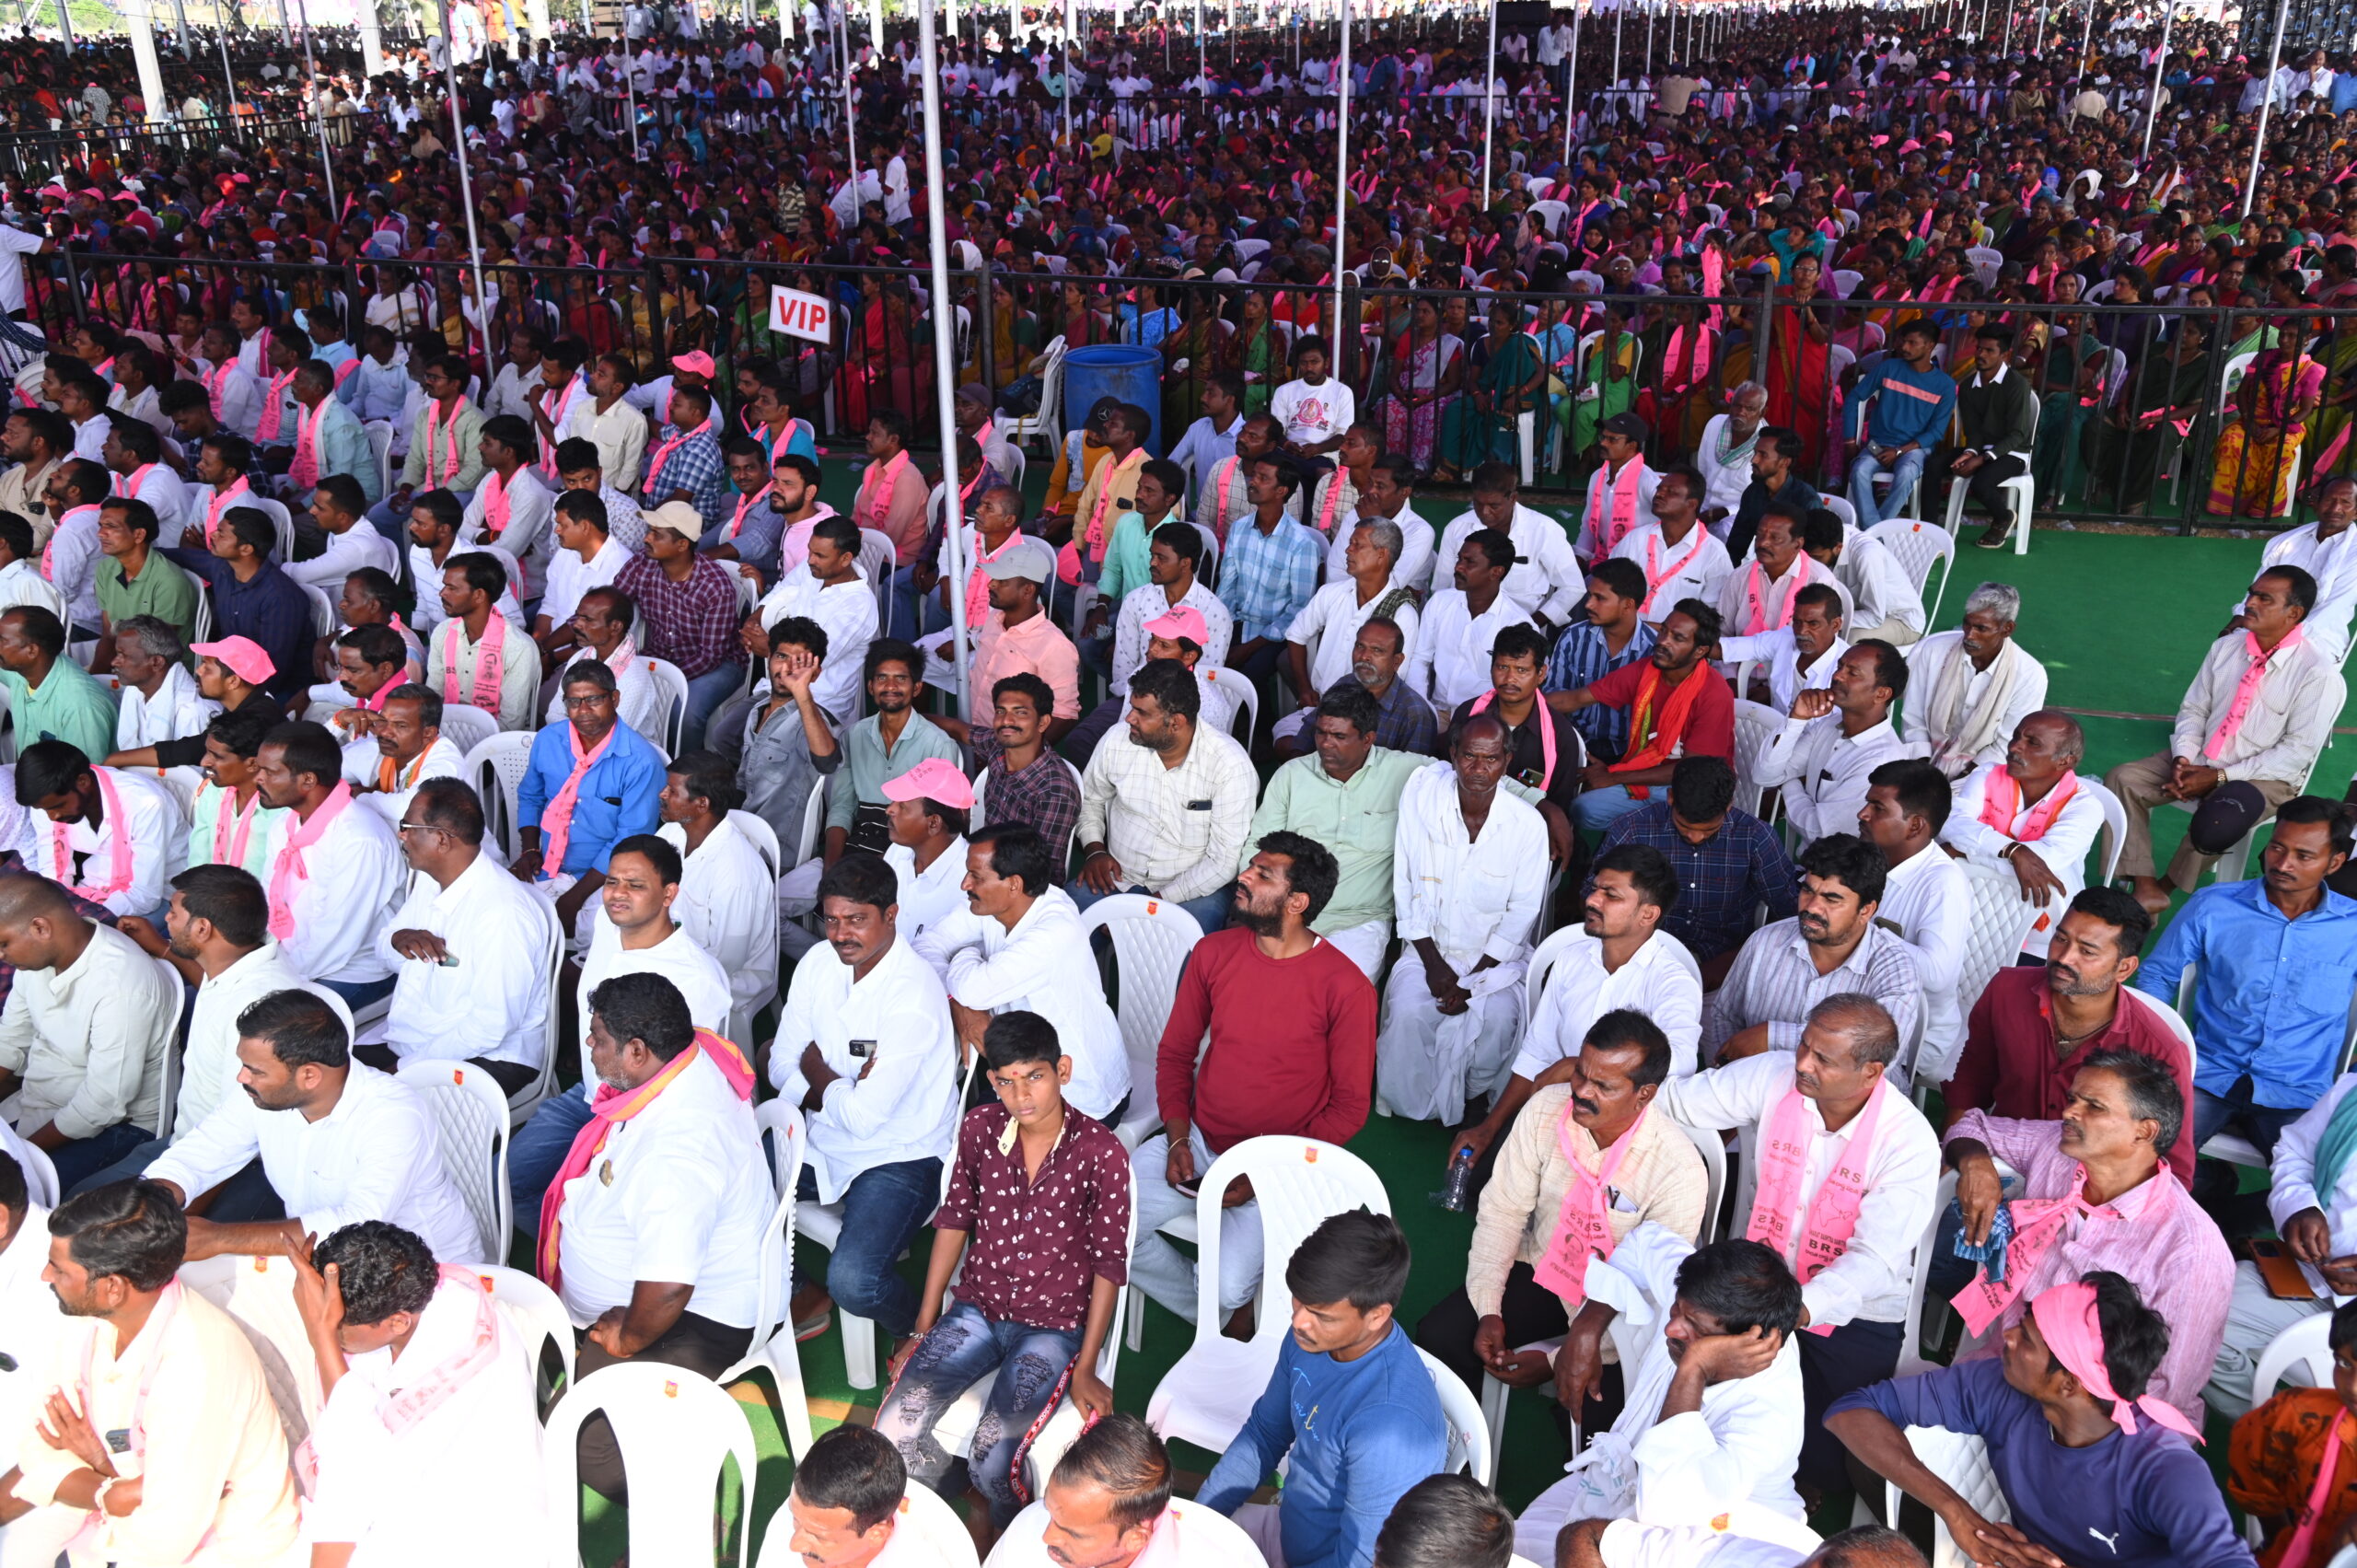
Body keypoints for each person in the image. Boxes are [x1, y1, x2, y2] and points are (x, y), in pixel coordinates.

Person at [1652, 994, 1941, 1498]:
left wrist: (1790, 1314)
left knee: (1820, 1457)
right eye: (1804, 1046)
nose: (1802, 1064)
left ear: (1872, 1072)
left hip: (1855, 1314)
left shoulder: (1909, 1142)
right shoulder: (1773, 1075)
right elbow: (1675, 1102)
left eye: (1823, 1059)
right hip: (1758, 1285)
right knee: (1710, 1410)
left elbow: (1872, 1262)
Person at [877, 1010, 1131, 1540]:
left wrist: (1085, 1366)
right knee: (893, 1428)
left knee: (994, 1456)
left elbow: (1110, 1265)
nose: (1020, 1095)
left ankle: (1007, 1527)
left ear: (1062, 1069)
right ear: (990, 1079)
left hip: (1053, 1327)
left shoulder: (1099, 1152)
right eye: (1005, 1081)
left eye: (1033, 1076)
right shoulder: (980, 1128)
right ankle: (944, 1503)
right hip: (977, 1311)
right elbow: (953, 1221)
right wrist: (924, 1327)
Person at [1416, 1009, 1706, 1439]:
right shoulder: (1544, 1111)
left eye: (1602, 1086)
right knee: (1439, 1338)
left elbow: (1654, 1294)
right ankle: (1453, 1453)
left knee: (1605, 1425)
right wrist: (1489, 1309)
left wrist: (1559, 1357)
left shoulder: (1678, 1168)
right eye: (1580, 1074)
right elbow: (1502, 1211)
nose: (1581, 1093)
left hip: (1620, 1312)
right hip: (1545, 1265)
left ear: (1644, 1094)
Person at [1829, 1274, 2249, 1568]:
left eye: (2027, 1338)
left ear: (2069, 1385)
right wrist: (1955, 1511)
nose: (2008, 1336)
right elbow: (1851, 1411)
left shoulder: (2165, 1469)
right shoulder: (1997, 1384)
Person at [537, 970, 769, 1498]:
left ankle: (683, 1518)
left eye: (597, 1038)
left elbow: (667, 1288)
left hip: (695, 1314)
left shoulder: (678, 1150)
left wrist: (628, 1339)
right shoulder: (689, 1053)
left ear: (638, 1051)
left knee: (581, 1443)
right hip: (665, 1290)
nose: (590, 1049)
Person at [1132, 831, 1374, 1325]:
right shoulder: (1214, 953)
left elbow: (1350, 1107)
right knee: (1102, 1230)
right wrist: (1178, 1137)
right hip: (1197, 1142)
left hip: (1277, 1167)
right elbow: (1176, 1054)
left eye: (1263, 874)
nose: (1243, 876)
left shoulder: (1347, 988)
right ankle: (1211, 1309)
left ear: (1297, 902)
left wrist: (1264, 1177)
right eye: (1251, 867)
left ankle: (1225, 1303)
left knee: (1223, 1290)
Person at [0, 1179, 298, 1567]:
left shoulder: (197, 1364)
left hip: (221, 1547)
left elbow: (162, 1540)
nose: (45, 1276)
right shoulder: (86, 1316)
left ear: (113, 1288)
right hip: (109, 1504)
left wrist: (98, 1468)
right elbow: (40, 1450)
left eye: (58, 1269)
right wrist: (108, 1490)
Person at [1945, 1051, 2230, 1428]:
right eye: (2072, 1099)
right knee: (1876, 1421)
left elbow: (2167, 1389)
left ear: (2144, 1132)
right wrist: (1975, 1164)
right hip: (2008, 1364)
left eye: (2093, 1106)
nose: (2069, 1113)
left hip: (2099, 1420)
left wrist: (2074, 1426)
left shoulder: (2191, 1250)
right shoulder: (2057, 1149)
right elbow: (1971, 1126)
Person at [1511, 1225, 1812, 1562]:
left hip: (1723, 1537)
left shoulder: (1767, 1417)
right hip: (1629, 1482)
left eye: (1694, 1328)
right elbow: (1644, 1241)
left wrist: (1693, 1369)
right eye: (1675, 1310)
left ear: (1746, 1344)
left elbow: (1664, 1510)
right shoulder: (1706, 1299)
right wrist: (1586, 1330)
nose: (1672, 1329)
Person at [145, 986, 483, 1261]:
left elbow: (356, 1223)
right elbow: (205, 1148)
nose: (242, 1077)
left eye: (256, 1070)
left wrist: (220, 1238)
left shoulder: (392, 1114)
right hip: (326, 1263)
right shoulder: (263, 1093)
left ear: (309, 1075)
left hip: (425, 1273)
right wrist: (152, 1200)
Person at [773, 852, 960, 1347]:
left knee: (855, 1282)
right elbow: (777, 1065)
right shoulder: (818, 963)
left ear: (891, 915)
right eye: (831, 920)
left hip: (902, 1155)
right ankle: (802, 1294)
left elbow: (864, 1119)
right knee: (727, 1191)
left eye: (856, 920)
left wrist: (813, 1072)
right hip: (820, 1141)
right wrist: (837, 1087)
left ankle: (920, 1331)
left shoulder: (912, 995)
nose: (840, 934)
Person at [1195, 1212, 1446, 1568]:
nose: (1298, 1321)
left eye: (1322, 1315)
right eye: (1299, 1301)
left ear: (1377, 1316)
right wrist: (1201, 1519)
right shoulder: (1310, 1337)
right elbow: (1264, 1434)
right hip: (1284, 1527)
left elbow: (1361, 1562)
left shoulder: (1389, 1430)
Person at [291, 1220, 546, 1564]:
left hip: (471, 1529)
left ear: (397, 1322)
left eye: (338, 1326)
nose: (329, 1333)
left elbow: (353, 1475)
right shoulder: (425, 1296)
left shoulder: (458, 1365)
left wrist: (321, 1337)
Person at [509, 834, 733, 1222]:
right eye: (612, 881)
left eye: (636, 885)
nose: (617, 894)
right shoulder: (606, 926)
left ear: (668, 894)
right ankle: (566, 1243)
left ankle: (586, 1248)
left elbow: (682, 1083)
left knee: (604, 1214)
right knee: (505, 1181)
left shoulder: (694, 979)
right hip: (590, 1095)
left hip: (644, 1115)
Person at [2138, 796, 2357, 1173]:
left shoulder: (2352, 928)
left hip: (2298, 1092)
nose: (2283, 864)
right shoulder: (2214, 906)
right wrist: (2163, 1053)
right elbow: (2158, 974)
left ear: (2334, 862)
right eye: (2277, 847)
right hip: (2208, 1075)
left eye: (2304, 856)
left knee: (2324, 1192)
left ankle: (2228, 1209)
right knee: (2142, 1161)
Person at [2107, 568, 2341, 912]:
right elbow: (2194, 708)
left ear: (2294, 613)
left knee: (2220, 820)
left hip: (2264, 779)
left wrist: (2218, 777)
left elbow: (2295, 753)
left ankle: (2164, 888)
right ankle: (2144, 884)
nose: (2250, 603)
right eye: (2252, 593)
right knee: (2122, 778)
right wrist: (2183, 759)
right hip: (2202, 758)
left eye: (2265, 599)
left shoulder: (2317, 673)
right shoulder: (2226, 647)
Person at [1945, 886, 2193, 1177]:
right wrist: (1951, 1162)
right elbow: (1970, 1086)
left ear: (2124, 968)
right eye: (2061, 939)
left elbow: (2173, 1166)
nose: (2064, 957)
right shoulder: (2005, 991)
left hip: (2092, 1192)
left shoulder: (2160, 1048)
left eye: (2087, 951)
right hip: (2000, 1165)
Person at [1376, 719, 1551, 1125]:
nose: (1479, 768)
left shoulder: (1526, 826)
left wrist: (1473, 980)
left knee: (1498, 1020)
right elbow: (1405, 883)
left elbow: (1523, 911)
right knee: (1408, 1013)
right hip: (1427, 950)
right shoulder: (1423, 803)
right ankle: (1414, 1104)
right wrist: (1435, 967)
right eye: (1470, 756)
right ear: (1453, 755)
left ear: (1506, 762)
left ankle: (1472, 1096)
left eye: (1491, 758)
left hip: (1493, 961)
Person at [911, 822, 1129, 1127]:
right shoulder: (997, 903)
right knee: (967, 1143)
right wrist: (958, 1003)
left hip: (1078, 1096)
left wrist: (965, 953)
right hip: (1018, 1074)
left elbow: (972, 988)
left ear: (1013, 883)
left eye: (976, 876)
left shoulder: (1053, 931)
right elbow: (923, 948)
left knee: (982, 1154)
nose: (964, 885)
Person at [361, 777, 557, 1095]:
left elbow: (490, 1026)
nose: (401, 835)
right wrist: (399, 940)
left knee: (374, 1112)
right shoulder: (429, 880)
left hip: (490, 1057)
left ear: (441, 840)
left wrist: (406, 1069)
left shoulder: (502, 914)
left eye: (409, 826)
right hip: (417, 1038)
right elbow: (385, 951)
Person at [0, 872, 175, 1191]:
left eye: (3, 944)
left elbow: (103, 1104)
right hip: (41, 1101)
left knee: (12, 1194)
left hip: (119, 1128)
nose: (2, 956)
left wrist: (22, 1154)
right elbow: (10, 1040)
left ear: (40, 928)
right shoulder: (35, 960)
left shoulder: (122, 982)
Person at [1246, 688, 1426, 979]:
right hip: (1288, 914)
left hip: (1359, 921)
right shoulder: (1292, 776)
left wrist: (1528, 796)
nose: (1326, 744)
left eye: (1339, 737)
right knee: (1257, 994)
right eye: (1321, 734)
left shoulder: (1406, 772)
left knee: (1338, 996)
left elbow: (1472, 779)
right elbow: (1256, 850)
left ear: (1368, 739)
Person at [1703, 833, 1925, 1068]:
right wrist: (1729, 1071)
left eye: (1831, 899)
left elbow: (1878, 1053)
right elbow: (1724, 1017)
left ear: (1866, 910)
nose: (1812, 907)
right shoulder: (1764, 942)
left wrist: (1770, 1036)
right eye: (1808, 891)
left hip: (1851, 1102)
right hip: (1757, 1091)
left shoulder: (1896, 968)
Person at [1074, 657, 1258, 935]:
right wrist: (1095, 849)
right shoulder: (1117, 740)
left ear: (1176, 722)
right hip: (1117, 877)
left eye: (1141, 713)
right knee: (1062, 937)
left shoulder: (1229, 766)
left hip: (1193, 891)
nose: (1128, 719)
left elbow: (1224, 861)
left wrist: (1151, 906)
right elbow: (1091, 799)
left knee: (1187, 958)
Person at [1597, 756, 1800, 991]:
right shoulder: (1632, 829)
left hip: (1724, 960)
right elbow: (1597, 899)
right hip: (1642, 951)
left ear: (1728, 806)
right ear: (1670, 798)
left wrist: (1737, 959)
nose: (1695, 837)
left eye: (1709, 830)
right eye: (1684, 826)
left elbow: (1787, 912)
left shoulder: (1755, 837)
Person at [985, 1413, 1269, 1568]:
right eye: (1050, 1511)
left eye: (1073, 1533)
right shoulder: (1027, 1531)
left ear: (1135, 1539)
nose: (1047, 1536)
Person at [1548, 600, 1736, 835]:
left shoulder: (1714, 694)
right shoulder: (1647, 670)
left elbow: (1694, 770)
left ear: (1700, 651)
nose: (1663, 641)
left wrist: (1614, 776)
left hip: (1694, 789)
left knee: (1668, 826)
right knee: (1584, 809)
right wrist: (1515, 701)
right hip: (1643, 773)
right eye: (1664, 630)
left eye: (1678, 638)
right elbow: (1576, 698)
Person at [254, 721, 407, 1005]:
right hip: (291, 957)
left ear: (308, 780)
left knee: (259, 1021)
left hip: (351, 971)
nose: (258, 779)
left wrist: (271, 977)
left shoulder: (358, 838)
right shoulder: (284, 824)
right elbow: (268, 897)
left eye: (271, 772)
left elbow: (337, 936)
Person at [515, 659, 665, 941]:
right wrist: (529, 850)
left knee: (593, 939)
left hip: (605, 879)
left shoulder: (640, 762)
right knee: (506, 925)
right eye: (574, 702)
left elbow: (630, 840)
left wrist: (575, 898)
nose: (583, 711)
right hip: (545, 866)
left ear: (615, 699)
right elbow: (530, 797)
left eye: (594, 699)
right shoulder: (548, 739)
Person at [1942, 711, 2108, 961]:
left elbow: (2044, 862)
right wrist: (2015, 852)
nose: (2015, 747)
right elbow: (1952, 822)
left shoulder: (2085, 807)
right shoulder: (1987, 774)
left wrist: (1965, 852)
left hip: (2043, 928)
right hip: (1969, 909)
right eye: (2017, 736)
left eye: (2033, 743)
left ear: (2065, 760)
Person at [1851, 759, 1970, 1081]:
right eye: (1867, 803)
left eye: (1877, 808)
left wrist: (1856, 928)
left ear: (1915, 826)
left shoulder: (1943, 883)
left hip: (1918, 1030)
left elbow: (1937, 974)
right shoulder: (1866, 855)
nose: (1863, 814)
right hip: (1859, 1004)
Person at [656, 750, 777, 1036]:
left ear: (701, 804)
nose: (662, 794)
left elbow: (726, 959)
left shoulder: (736, 871)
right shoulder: (671, 834)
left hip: (725, 976)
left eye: (672, 790)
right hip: (671, 956)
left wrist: (662, 967)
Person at [2229, 1297, 2357, 1564]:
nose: (2353, 1387)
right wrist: (2279, 1539)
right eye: (2344, 1364)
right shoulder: (2297, 1415)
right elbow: (2251, 1466)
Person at [612, 500, 749, 749]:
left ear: (682, 545)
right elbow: (613, 605)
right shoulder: (643, 563)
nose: (646, 539)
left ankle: (687, 777)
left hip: (718, 664)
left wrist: (666, 680)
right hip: (660, 655)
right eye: (649, 531)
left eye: (657, 534)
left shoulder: (714, 585)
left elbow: (710, 656)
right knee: (620, 697)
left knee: (686, 715)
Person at [1748, 642, 1909, 850]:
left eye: (1853, 673)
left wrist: (1788, 782)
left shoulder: (1881, 761)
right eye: (1840, 666)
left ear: (1881, 694)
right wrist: (1797, 719)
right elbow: (1764, 776)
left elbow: (1819, 832)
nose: (1838, 676)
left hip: (1843, 875)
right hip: (1811, 865)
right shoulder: (1829, 724)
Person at [1279, 519, 1421, 750]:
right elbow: (1296, 635)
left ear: (1381, 555)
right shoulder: (1332, 593)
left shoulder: (1402, 612)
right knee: (1288, 746)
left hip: (1364, 718)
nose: (1348, 550)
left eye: (1357, 545)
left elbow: (1390, 679)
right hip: (1320, 707)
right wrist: (1304, 688)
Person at [13, 739, 183, 920]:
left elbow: (144, 896)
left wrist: (83, 920)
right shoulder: (48, 803)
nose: (52, 817)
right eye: (45, 810)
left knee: (76, 943)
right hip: (96, 887)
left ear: (83, 781)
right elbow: (53, 873)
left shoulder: (145, 803)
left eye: (58, 806)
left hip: (162, 894)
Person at [158, 507, 312, 704]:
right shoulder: (223, 568)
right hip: (233, 677)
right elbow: (183, 557)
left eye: (221, 533)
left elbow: (274, 669)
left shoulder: (280, 597)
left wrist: (235, 702)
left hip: (278, 692)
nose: (213, 534)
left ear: (246, 549)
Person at [1901, 583, 2049, 781]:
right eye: (1967, 624)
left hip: (1983, 774)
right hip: (1921, 761)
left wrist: (1961, 780)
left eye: (1982, 628)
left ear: (2007, 629)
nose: (1969, 635)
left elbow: (2008, 744)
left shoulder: (2030, 675)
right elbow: (1913, 718)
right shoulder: (1934, 651)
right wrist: (1923, 767)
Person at [785, 1423, 980, 1565]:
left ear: (877, 1535)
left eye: (819, 1537)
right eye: (795, 1518)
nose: (793, 1545)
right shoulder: (811, 1513)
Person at [757, 514, 879, 727]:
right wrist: (754, 619)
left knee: (735, 738)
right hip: (775, 686)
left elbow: (817, 660)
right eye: (810, 551)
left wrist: (768, 649)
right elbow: (782, 589)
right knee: (726, 734)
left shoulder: (859, 604)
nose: (810, 559)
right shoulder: (812, 569)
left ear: (845, 559)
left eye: (820, 555)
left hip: (820, 700)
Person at [1429, 463, 1584, 628]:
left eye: (1494, 506)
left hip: (1521, 633)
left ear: (1513, 498)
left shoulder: (1543, 530)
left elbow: (1573, 587)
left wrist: (1531, 624)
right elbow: (1442, 587)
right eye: (1478, 504)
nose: (1484, 512)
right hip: (1462, 624)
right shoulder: (1457, 528)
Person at [1931, 324, 2038, 552]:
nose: (1981, 354)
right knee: (1933, 465)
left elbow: (2018, 434)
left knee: (1981, 484)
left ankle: (2003, 516)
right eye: (1979, 349)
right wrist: (1970, 452)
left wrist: (1981, 459)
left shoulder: (2017, 385)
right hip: (1982, 448)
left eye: (1989, 350)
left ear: (2005, 354)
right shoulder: (1969, 386)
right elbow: (1974, 431)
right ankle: (1931, 532)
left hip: (2014, 451)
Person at [1219, 454, 1326, 685]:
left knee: (1245, 678)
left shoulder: (1301, 544)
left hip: (1274, 634)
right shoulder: (1239, 529)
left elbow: (1299, 608)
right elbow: (1226, 586)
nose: (1253, 482)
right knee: (1207, 665)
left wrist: (1248, 648)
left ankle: (1255, 720)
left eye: (1263, 478)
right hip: (1236, 622)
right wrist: (1221, 630)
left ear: (1281, 491)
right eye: (1254, 475)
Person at [1845, 319, 1958, 528]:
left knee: (1906, 474)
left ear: (1930, 345)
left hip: (1914, 448)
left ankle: (1875, 530)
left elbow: (1936, 432)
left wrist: (1899, 451)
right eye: (1904, 341)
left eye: (1912, 343)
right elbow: (1854, 398)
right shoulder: (1888, 367)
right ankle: (1877, 531)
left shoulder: (1945, 385)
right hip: (1876, 443)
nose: (1905, 347)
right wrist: (1850, 440)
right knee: (1859, 470)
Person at [1409, 529, 1533, 714]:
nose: (1458, 567)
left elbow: (1522, 683)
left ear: (1496, 572)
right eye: (1459, 559)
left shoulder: (1517, 623)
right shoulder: (1440, 602)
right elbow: (1419, 659)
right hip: (1435, 711)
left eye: (1470, 562)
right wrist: (1421, 708)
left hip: (1484, 718)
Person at [424, 550, 543, 733]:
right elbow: (432, 699)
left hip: (495, 746)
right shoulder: (443, 632)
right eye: (444, 586)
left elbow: (511, 723)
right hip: (445, 734)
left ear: (479, 595)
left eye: (452, 588)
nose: (442, 593)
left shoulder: (518, 647)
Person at [971, 672, 1082, 865]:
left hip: (1018, 883)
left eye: (1020, 712)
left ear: (1043, 722)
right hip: (983, 860)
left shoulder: (1055, 792)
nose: (1007, 720)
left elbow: (1042, 871)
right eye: (1000, 711)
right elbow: (960, 730)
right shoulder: (999, 746)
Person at [1608, 467, 1731, 630]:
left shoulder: (1715, 553)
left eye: (1671, 492)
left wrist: (1660, 632)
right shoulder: (1635, 539)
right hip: (1624, 637)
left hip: (1677, 648)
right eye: (1659, 488)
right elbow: (1608, 588)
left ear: (1692, 504)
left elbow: (1711, 617)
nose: (1659, 494)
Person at [0, 605, 115, 766]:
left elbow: (83, 778)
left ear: (32, 651)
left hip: (63, 788)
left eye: (2, 640)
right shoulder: (24, 669)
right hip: (30, 779)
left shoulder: (80, 705)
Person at [93, 494, 199, 668]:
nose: (101, 533)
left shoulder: (169, 581)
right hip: (125, 663)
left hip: (161, 671)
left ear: (139, 535)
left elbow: (156, 651)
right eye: (101, 526)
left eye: (111, 526)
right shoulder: (106, 569)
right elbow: (109, 635)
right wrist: (94, 679)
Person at [459, 415, 557, 597]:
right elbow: (462, 527)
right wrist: (491, 535)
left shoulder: (530, 494)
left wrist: (478, 535)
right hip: (490, 581)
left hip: (527, 592)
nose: (480, 447)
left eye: (487, 443)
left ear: (509, 452)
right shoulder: (489, 479)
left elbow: (505, 553)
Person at [344, 681, 464, 830]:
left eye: (400, 725)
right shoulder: (382, 748)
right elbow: (319, 768)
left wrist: (361, 796)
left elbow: (413, 807)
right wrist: (339, 722)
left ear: (428, 733)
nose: (384, 732)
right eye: (382, 721)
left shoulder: (446, 761)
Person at [107, 616, 210, 760]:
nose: (114, 662)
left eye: (122, 655)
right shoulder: (135, 692)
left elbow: (192, 777)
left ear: (156, 662)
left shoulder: (192, 712)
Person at [1724, 428, 1818, 568]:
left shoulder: (1806, 500)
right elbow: (1736, 545)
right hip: (1761, 567)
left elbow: (1812, 555)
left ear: (1784, 462)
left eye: (1763, 455)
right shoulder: (1753, 493)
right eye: (1755, 453)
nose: (1754, 460)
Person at [1575, 413, 1663, 563]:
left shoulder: (1646, 480)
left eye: (1612, 439)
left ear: (1632, 445)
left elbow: (1672, 522)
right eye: (1603, 437)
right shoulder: (1597, 477)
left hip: (1639, 563)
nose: (1603, 443)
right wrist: (1580, 557)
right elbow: (1589, 526)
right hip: (1601, 558)